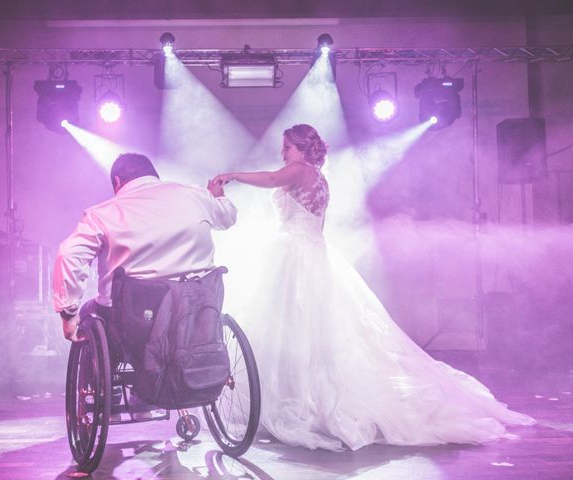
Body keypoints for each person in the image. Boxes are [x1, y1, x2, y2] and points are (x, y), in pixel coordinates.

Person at [211, 124, 535, 451]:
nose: (284, 154)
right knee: (307, 331)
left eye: (288, 147)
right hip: (312, 251)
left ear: (302, 148)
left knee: (294, 327)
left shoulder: (298, 171)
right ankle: (297, 395)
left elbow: (270, 180)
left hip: (296, 254)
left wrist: (233, 175)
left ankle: (296, 399)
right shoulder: (319, 178)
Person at [53, 152, 237, 342]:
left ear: (117, 182)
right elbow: (228, 217)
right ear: (154, 175)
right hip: (197, 311)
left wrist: (68, 315)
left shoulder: (102, 214)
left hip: (135, 323)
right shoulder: (198, 196)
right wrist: (218, 197)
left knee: (86, 311)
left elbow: (69, 254)